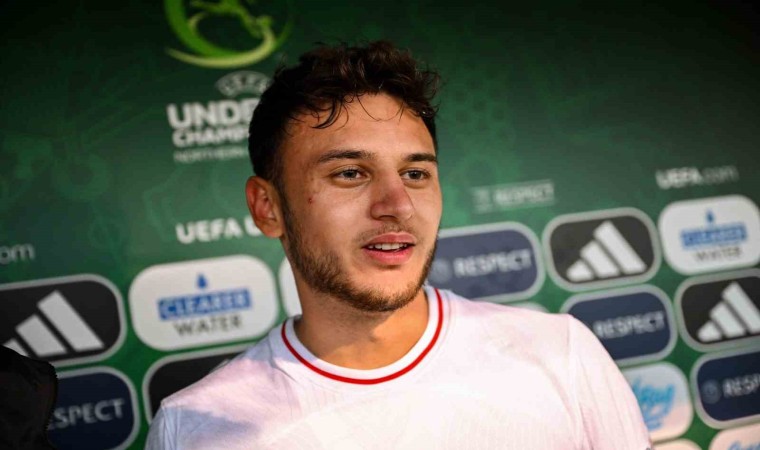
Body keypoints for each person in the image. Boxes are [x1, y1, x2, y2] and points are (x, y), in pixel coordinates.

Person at [146, 41, 651, 449]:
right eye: (350, 173)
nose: (398, 205)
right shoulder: (195, 428)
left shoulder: (562, 354)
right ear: (267, 207)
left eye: (415, 173)